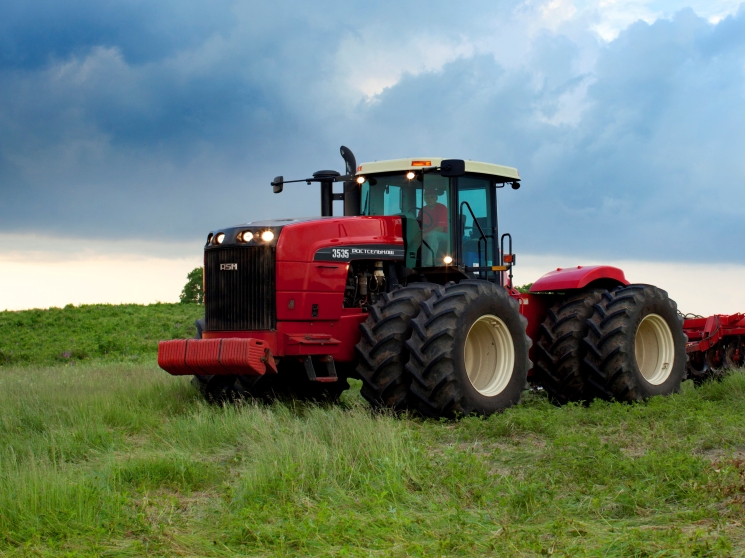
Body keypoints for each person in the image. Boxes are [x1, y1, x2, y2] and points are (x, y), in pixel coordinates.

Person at [418, 187, 449, 266]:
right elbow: (418, 226)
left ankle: (429, 264)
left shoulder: (442, 208)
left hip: (445, 235)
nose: (429, 199)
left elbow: (440, 228)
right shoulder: (422, 210)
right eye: (427, 197)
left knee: (433, 235)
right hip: (428, 235)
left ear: (436, 198)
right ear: (424, 199)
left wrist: (423, 235)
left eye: (431, 197)